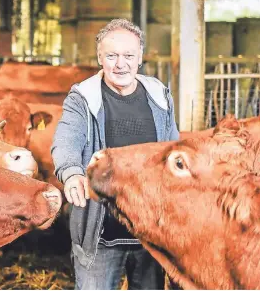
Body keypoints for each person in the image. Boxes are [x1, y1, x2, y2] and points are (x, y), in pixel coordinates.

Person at [51, 18, 179, 290]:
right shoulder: (83, 98)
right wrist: (72, 173)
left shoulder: (159, 95)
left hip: (150, 233)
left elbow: (172, 147)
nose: (120, 64)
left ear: (140, 57)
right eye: (112, 56)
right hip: (100, 234)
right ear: (100, 58)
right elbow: (66, 140)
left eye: (128, 55)